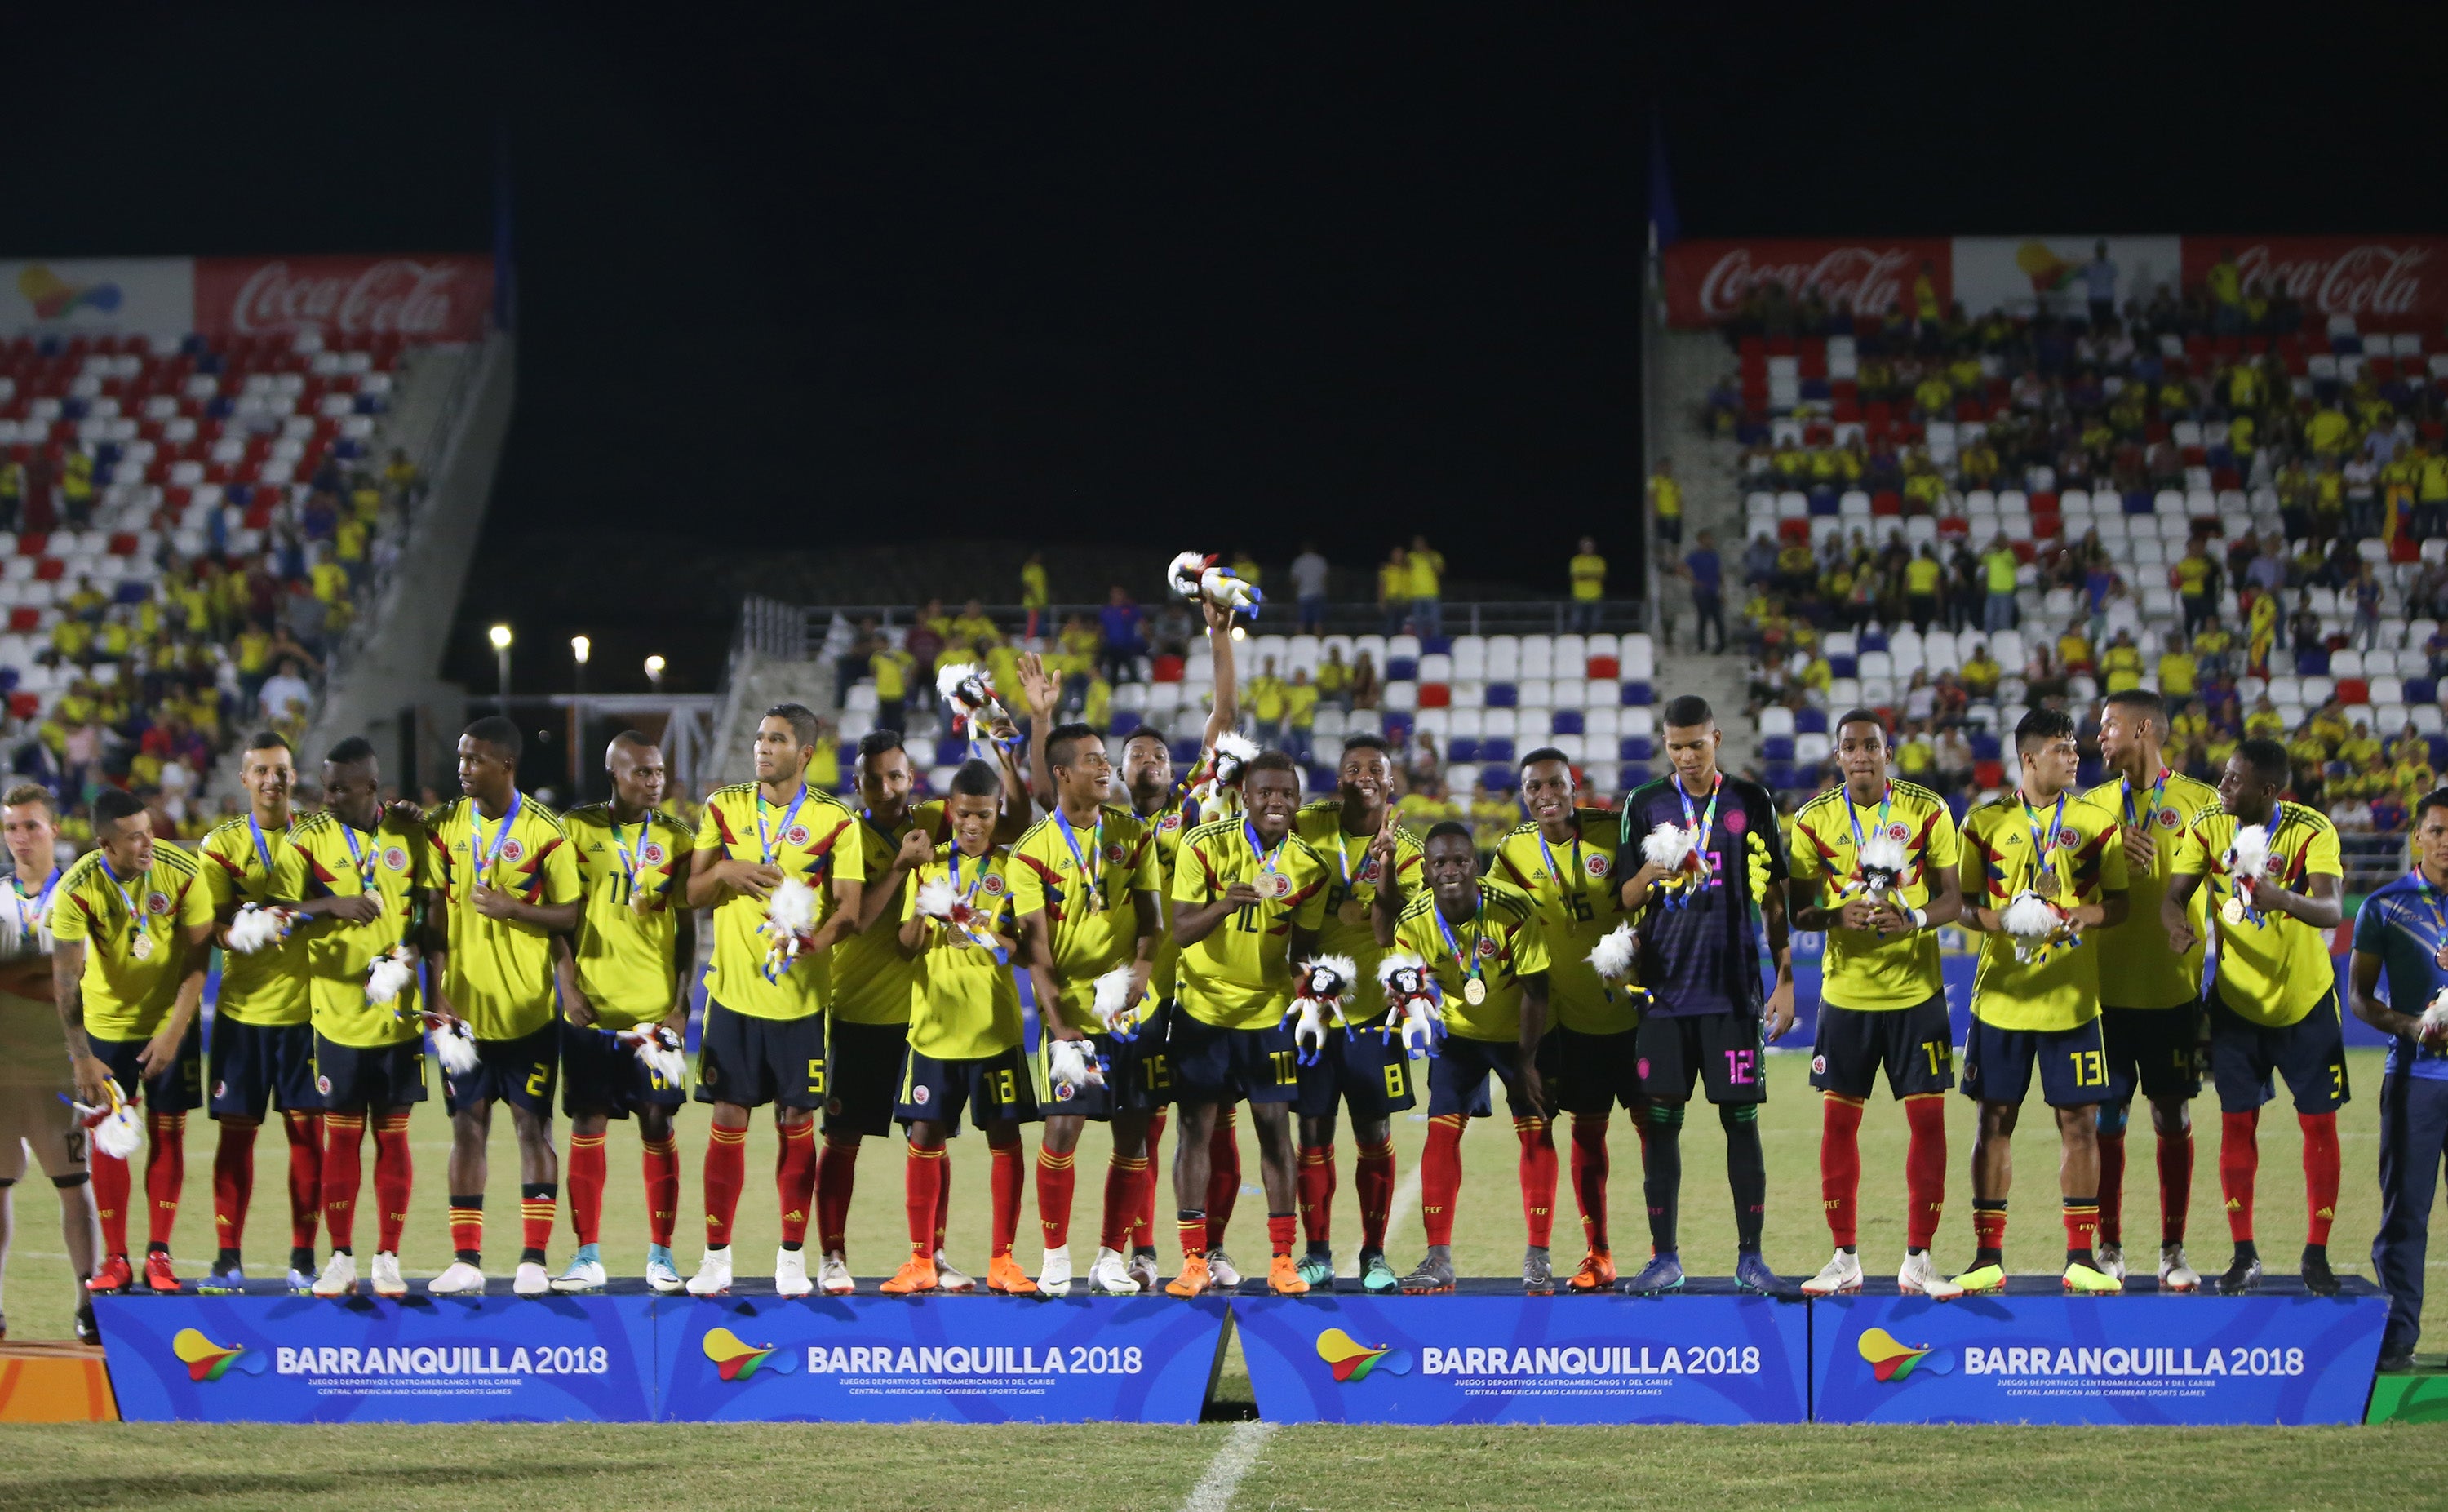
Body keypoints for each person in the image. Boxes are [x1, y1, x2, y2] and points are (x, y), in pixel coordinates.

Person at [820, 724, 1027, 1294]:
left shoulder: (940, 823)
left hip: (939, 1020)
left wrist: (1010, 753)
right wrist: (905, 870)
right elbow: (864, 921)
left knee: (937, 1134)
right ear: (856, 782)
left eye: (895, 775)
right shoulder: (848, 835)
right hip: (865, 1009)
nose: (884, 787)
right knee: (845, 1137)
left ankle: (934, 1254)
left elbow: (1009, 822)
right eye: (872, 778)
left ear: (912, 779)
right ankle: (832, 1254)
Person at [685, 704, 867, 1297]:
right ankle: (716, 1257)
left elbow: (850, 911)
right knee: (726, 1119)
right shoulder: (723, 807)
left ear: (805, 753)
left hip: (801, 1001)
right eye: (761, 737)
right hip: (733, 996)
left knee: (796, 1123)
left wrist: (810, 940)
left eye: (777, 739)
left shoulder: (836, 820)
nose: (763, 747)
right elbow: (691, 891)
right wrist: (728, 872)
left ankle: (791, 1257)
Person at [1612, 696, 1792, 1296]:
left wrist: (1786, 978)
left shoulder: (1749, 800)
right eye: (1676, 746)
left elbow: (1774, 897)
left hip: (1733, 992)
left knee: (1741, 1123)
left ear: (1717, 737)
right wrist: (1649, 876)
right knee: (1659, 1127)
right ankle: (1665, 1257)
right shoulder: (1644, 804)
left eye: (1698, 744)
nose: (1687, 756)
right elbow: (1625, 898)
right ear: (1664, 744)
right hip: (1662, 996)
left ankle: (1751, 1257)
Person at [1787, 712, 1967, 1300]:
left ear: (1888, 751)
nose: (1860, 755)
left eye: (1871, 745)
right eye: (1849, 746)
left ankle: (1919, 1258)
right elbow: (1800, 911)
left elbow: (1953, 898)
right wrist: (1839, 914)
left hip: (1917, 993)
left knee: (1929, 1123)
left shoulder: (1928, 808)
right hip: (1847, 995)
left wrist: (1912, 916)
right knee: (1839, 1123)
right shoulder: (1814, 820)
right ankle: (1844, 1258)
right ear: (1837, 756)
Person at [2162, 738, 2348, 1296]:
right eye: (2224, 775)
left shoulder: (2311, 829)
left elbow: (2333, 910)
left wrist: (2281, 898)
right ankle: (2244, 1254)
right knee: (2238, 1124)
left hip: (2305, 1005)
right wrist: (2174, 922)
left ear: (2268, 790)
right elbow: (2176, 894)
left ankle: (2317, 1253)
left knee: (2319, 1125)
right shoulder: (2207, 825)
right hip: (2237, 1008)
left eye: (2235, 780)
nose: (2223, 786)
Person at [1954, 707, 2128, 1295]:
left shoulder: (2096, 820)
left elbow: (2121, 905)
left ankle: (2081, 1256)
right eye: (2062, 748)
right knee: (1993, 1120)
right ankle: (1986, 1257)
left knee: (2080, 1122)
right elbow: (1962, 905)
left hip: (2073, 1002)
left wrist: (2084, 913)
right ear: (2030, 758)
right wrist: (2007, 921)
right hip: (2002, 1000)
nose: (2075, 755)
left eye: (2075, 746)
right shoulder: (1984, 822)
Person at [1098, 599, 1242, 1292]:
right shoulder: (1106, 827)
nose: (1149, 759)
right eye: (1136, 754)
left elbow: (1223, 727)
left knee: (1215, 1130)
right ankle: (1144, 1249)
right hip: (1144, 996)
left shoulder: (1192, 806)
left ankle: (1209, 1247)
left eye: (1158, 752)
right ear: (1120, 772)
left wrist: (1217, 640)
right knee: (1143, 1132)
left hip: (1206, 994)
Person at [424, 716, 584, 1297]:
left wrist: (515, 908)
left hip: (526, 1013)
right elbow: (434, 915)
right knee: (466, 1127)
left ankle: (533, 1260)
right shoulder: (443, 826)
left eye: (474, 760)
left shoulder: (546, 833)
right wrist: (436, 990)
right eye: (461, 758)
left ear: (506, 765)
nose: (462, 768)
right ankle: (466, 1259)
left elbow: (569, 914)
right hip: (463, 1015)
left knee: (531, 1127)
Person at [1164, 752, 1327, 1297]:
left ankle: (1283, 1259)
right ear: (1245, 796)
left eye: (1286, 793)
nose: (1275, 801)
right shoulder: (1201, 845)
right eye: (1265, 792)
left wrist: (1316, 992)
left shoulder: (1310, 867)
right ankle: (1193, 1259)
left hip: (1267, 1015)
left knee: (1276, 1132)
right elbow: (1182, 930)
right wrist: (1224, 904)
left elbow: (1304, 949)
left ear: (1298, 801)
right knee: (1194, 1131)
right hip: (1203, 1012)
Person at [1010, 716, 1160, 1297]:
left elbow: (1152, 922)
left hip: (1123, 1008)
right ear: (1063, 773)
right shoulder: (1030, 854)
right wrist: (1062, 1028)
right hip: (1071, 1009)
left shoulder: (1131, 833)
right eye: (1094, 759)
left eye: (1107, 758)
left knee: (1133, 1137)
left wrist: (1142, 974)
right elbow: (1038, 956)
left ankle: (1109, 1255)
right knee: (1064, 1128)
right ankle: (1054, 1256)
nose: (1106, 767)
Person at [880, 760, 1040, 1295]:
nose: (973, 823)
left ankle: (1003, 1260)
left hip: (994, 1030)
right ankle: (921, 1259)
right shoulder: (930, 866)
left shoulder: (1013, 867)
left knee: (1004, 1138)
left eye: (985, 814)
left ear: (998, 814)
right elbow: (904, 945)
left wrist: (975, 923)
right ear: (951, 811)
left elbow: (1025, 952)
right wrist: (926, 916)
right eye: (965, 813)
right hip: (934, 1029)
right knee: (924, 1136)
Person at [548, 733, 699, 1294]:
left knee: (658, 1125)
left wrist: (683, 1001)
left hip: (654, 1017)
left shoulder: (677, 836)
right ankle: (587, 1255)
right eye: (642, 772)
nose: (654, 781)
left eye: (659, 771)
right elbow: (557, 914)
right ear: (613, 772)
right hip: (591, 1010)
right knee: (587, 1124)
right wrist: (567, 982)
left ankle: (661, 1255)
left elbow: (688, 927)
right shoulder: (576, 829)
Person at [2083, 690, 2221, 1291]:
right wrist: (2106, 853)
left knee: (2172, 1113)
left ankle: (2173, 1251)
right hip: (2104, 995)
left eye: (2108, 725)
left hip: (2173, 993)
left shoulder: (2201, 801)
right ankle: (2108, 1245)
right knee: (2105, 1119)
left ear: (2143, 728)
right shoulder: (2088, 805)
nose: (2098, 738)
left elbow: (2229, 891)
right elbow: (2060, 888)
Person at [55, 787, 216, 1295]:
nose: (148, 843)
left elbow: (198, 961)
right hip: (105, 1029)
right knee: (110, 1139)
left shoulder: (183, 870)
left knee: (169, 1134)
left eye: (149, 830)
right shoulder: (77, 888)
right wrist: (81, 1058)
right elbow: (64, 981)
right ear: (105, 844)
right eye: (133, 838)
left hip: (167, 1024)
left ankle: (159, 1254)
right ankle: (117, 1258)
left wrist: (174, 1031)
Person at [1383, 821, 1553, 1293]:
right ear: (1428, 869)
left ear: (1475, 865)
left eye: (1461, 861)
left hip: (1518, 1031)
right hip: (1458, 1033)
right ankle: (1438, 1257)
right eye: (1440, 862)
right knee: (1441, 1132)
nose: (1451, 870)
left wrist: (1527, 1062)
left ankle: (1538, 1256)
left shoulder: (1514, 907)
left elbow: (1538, 991)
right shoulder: (1412, 921)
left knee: (1536, 1129)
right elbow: (1410, 985)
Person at [290, 738, 432, 1300]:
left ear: (371, 788)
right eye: (326, 786)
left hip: (397, 1018)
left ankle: (388, 1256)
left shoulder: (408, 834)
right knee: (341, 1140)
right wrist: (330, 905)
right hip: (337, 1015)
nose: (328, 797)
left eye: (339, 788)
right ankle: (341, 1256)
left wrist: (413, 954)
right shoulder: (309, 839)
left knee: (393, 1138)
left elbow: (427, 906)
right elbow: (280, 910)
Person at [1494, 749, 1634, 1293]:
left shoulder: (1611, 830)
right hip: (1569, 1020)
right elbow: (1496, 921)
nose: (1546, 794)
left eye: (1556, 783)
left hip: (1633, 1010)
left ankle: (1662, 1253)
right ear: (1524, 795)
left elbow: (1650, 898)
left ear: (1575, 785)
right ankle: (1599, 1252)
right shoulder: (1512, 851)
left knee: (1655, 1137)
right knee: (1589, 1134)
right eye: (1534, 787)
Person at [1289, 734, 1423, 1293]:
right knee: (1313, 1130)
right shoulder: (1309, 824)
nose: (1363, 775)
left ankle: (1373, 1254)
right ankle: (1316, 1252)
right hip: (1314, 1013)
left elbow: (1386, 926)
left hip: (1373, 1014)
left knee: (1374, 1131)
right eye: (1352, 767)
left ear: (1391, 782)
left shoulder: (1409, 848)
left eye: (1375, 768)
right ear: (1337, 778)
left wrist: (1386, 864)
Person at [196, 732, 322, 1293]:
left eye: (281, 770)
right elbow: (211, 924)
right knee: (235, 1140)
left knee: (307, 1141)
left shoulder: (318, 836)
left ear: (293, 777)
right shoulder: (219, 844)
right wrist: (237, 932)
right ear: (244, 779)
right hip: (242, 1016)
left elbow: (344, 902)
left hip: (306, 1015)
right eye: (261, 771)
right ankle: (228, 1257)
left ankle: (304, 1257)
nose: (273, 780)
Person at [2348, 790, 2448, 1369]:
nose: (2445, 843)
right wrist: (2411, 1026)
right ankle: (2397, 1343)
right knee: (2406, 1212)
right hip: (2416, 1078)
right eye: (2436, 831)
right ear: (2417, 836)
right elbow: (2359, 998)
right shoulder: (2384, 905)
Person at [0, 786, 102, 1341]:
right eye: (12, 827)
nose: (20, 837)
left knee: (72, 1183)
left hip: (59, 1066)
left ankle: (88, 1300)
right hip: (2, 1068)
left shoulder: (78, 894)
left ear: (54, 830)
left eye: (31, 826)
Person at [1684, 531, 1724, 653]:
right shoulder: (1695, 556)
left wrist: (1723, 590)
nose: (1710, 541)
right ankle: (1702, 646)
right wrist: (1695, 582)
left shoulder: (1714, 555)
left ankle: (1721, 645)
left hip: (1713, 590)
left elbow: (1719, 573)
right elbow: (1682, 569)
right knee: (1703, 618)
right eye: (1708, 539)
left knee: (1718, 618)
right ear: (1701, 540)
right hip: (1701, 591)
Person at [870, 634, 915, 734]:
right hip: (882, 692)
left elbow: (912, 664)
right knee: (885, 721)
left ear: (885, 643)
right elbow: (872, 668)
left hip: (897, 692)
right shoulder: (876, 656)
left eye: (878, 642)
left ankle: (898, 740)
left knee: (897, 721)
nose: (876, 645)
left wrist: (909, 679)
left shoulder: (898, 654)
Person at [1980, 533, 2020, 632]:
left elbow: (2018, 563)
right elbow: (1979, 559)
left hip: (2005, 593)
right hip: (1992, 592)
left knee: (2004, 621)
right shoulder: (1992, 555)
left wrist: (2009, 547)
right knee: (1989, 620)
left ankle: (2004, 643)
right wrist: (1988, 546)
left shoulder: (2009, 554)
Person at [1408, 536, 1444, 639]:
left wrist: (1429, 557)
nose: (1418, 545)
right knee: (1418, 623)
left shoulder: (1435, 555)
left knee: (1435, 622)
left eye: (1420, 543)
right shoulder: (1410, 557)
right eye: (1416, 543)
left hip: (1432, 594)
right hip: (1416, 595)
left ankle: (1434, 644)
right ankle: (1421, 645)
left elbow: (1441, 571)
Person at [1568, 537, 1607, 634]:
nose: (1588, 548)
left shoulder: (1599, 561)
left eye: (1590, 546)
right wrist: (1592, 575)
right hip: (1579, 596)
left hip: (1596, 595)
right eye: (1585, 546)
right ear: (1581, 548)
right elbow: (1576, 576)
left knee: (1596, 624)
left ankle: (1593, 638)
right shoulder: (1576, 561)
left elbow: (1601, 576)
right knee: (1576, 623)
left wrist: (1585, 575)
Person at [1290, 543, 1330, 636]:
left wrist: (1294, 594)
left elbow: (1295, 580)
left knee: (1302, 623)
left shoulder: (1299, 561)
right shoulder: (1321, 561)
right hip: (1318, 593)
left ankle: (1299, 644)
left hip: (1303, 595)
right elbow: (1325, 579)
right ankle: (1318, 645)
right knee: (1318, 623)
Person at [2083, 241, 2119, 330]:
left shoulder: (2111, 266)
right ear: (2096, 251)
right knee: (2095, 325)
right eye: (2099, 250)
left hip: (2107, 299)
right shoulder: (2090, 266)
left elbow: (2114, 277)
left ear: (2105, 251)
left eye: (2103, 250)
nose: (2101, 252)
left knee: (2107, 325)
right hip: (2094, 299)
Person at [1648, 461, 1683, 548]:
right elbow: (1652, 495)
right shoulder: (1654, 480)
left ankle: (1674, 560)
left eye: (1669, 467)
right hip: (1661, 513)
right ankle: (1661, 559)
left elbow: (1679, 496)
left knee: (1675, 539)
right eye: (1665, 467)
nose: (1667, 469)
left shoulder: (1674, 481)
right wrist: (1655, 509)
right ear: (1660, 468)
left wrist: (1681, 509)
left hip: (1675, 513)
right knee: (1661, 538)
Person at [1377, 547, 1410, 636]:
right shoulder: (1386, 569)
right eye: (1396, 554)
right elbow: (1382, 585)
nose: (1398, 556)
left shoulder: (1407, 570)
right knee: (1389, 627)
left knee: (1402, 628)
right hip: (1391, 602)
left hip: (1403, 603)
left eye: (1400, 554)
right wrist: (1381, 601)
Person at [1021, 552, 1049, 641]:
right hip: (1032, 604)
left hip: (1042, 604)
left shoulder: (1040, 569)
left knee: (1041, 629)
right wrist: (1035, 600)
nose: (1038, 558)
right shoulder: (1028, 568)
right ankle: (1028, 647)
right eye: (1036, 556)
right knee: (1031, 629)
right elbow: (1028, 586)